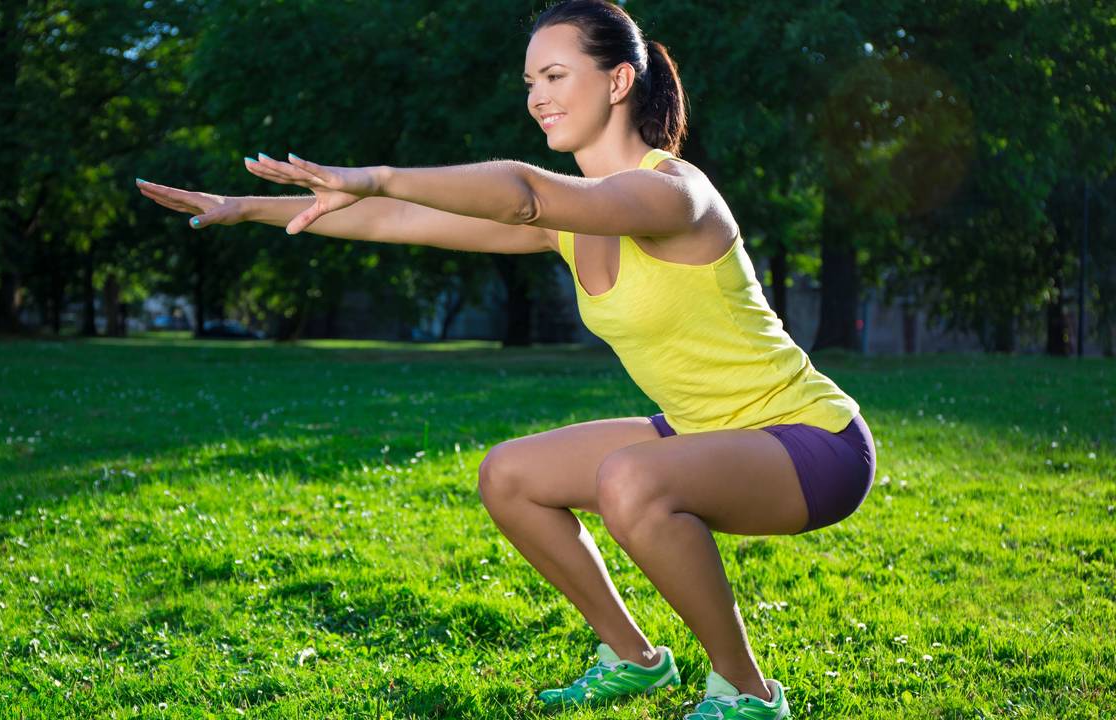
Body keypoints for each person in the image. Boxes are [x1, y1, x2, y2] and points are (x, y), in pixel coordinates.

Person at [135, 1, 875, 717]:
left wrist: (377, 171)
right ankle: (634, 660)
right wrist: (245, 206)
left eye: (555, 76)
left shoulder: (675, 194)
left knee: (629, 478)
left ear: (619, 81)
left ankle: (746, 691)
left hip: (811, 444)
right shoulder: (571, 223)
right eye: (530, 83)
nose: (538, 98)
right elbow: (400, 218)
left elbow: (520, 193)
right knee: (511, 476)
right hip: (703, 432)